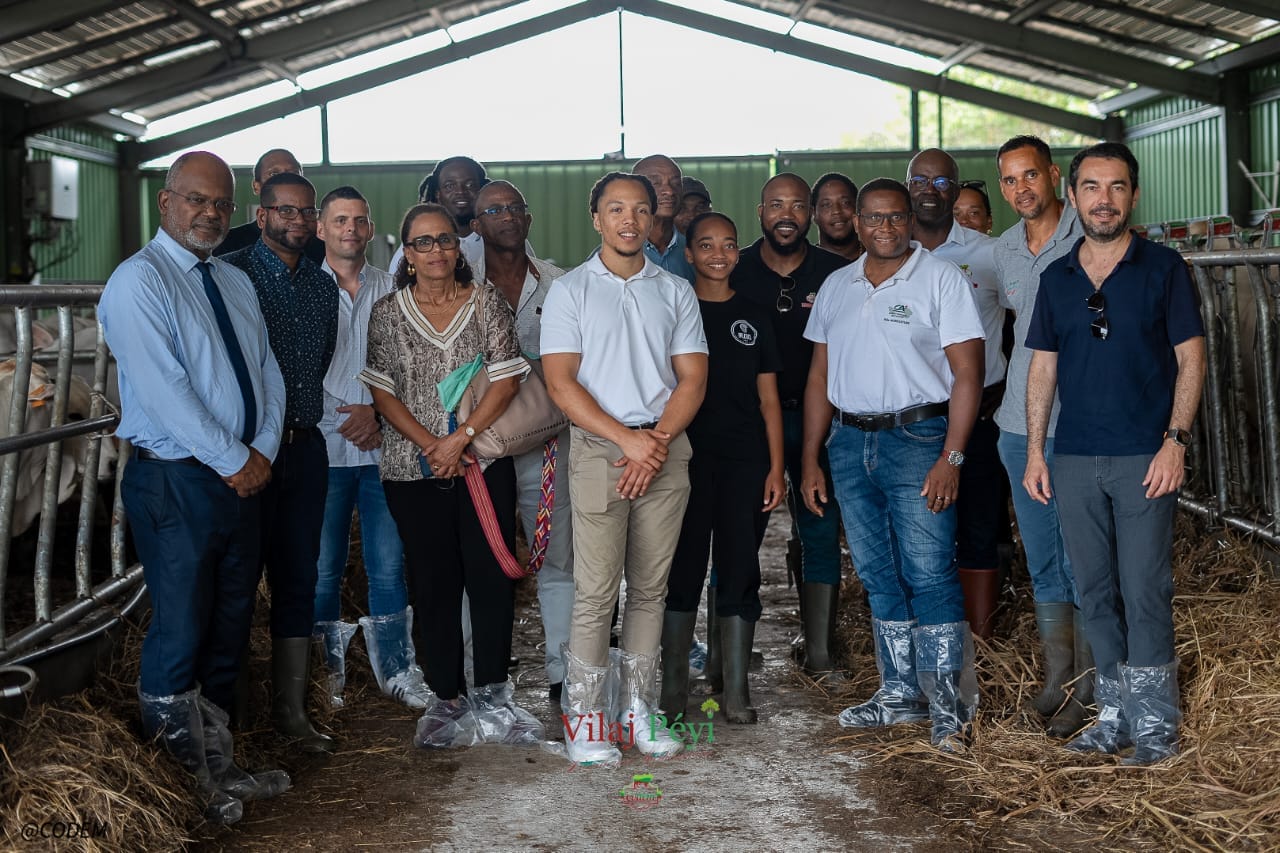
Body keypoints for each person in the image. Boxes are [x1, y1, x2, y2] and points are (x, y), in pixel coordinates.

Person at [100, 150, 290, 824]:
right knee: (180, 626)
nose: (210, 213)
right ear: (166, 202)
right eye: (196, 200)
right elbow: (163, 390)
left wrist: (259, 450)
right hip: (178, 479)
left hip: (240, 478)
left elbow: (266, 371)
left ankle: (221, 763)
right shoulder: (138, 282)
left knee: (229, 623)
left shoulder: (232, 280)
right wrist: (232, 457)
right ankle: (184, 781)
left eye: (221, 204)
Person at [1024, 142, 1205, 765]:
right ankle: (1113, 714)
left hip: (1143, 458)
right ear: (1071, 196)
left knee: (1145, 586)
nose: (1105, 199)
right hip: (1074, 457)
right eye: (1093, 187)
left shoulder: (1162, 268)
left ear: (1133, 194)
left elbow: (1191, 358)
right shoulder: (1057, 277)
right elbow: (1042, 369)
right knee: (1094, 590)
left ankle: (1155, 725)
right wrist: (1037, 453)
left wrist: (1174, 442)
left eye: (1118, 187)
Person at [801, 177, 985, 753]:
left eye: (896, 218)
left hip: (920, 437)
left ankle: (950, 709)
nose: (885, 228)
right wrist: (810, 457)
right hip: (850, 442)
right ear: (856, 224)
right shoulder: (837, 285)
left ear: (910, 220)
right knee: (878, 574)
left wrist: (951, 455)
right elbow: (818, 378)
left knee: (929, 573)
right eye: (874, 219)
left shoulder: (941, 279)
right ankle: (899, 694)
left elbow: (968, 375)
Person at [541, 172, 708, 765]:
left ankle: (637, 711)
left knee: (650, 590)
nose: (629, 220)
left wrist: (655, 441)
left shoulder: (674, 290)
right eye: (616, 209)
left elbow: (692, 377)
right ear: (597, 218)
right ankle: (584, 720)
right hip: (598, 450)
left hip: (665, 449)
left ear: (652, 219)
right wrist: (626, 442)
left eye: (639, 209)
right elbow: (560, 382)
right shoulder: (570, 291)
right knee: (595, 591)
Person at [361, 203, 539, 748]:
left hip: (482, 464)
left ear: (457, 247)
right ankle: (446, 698)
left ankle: (492, 694)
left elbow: (508, 380)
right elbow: (382, 391)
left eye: (444, 240)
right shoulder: (389, 312)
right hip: (409, 469)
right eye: (422, 243)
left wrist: (460, 440)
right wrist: (431, 446)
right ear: (407, 255)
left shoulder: (485, 301)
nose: (436, 251)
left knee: (490, 580)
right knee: (433, 583)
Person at [223, 172, 339, 754]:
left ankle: (291, 714)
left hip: (305, 446)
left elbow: (319, 360)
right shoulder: (232, 274)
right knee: (239, 578)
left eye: (305, 212)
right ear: (261, 213)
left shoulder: (321, 286)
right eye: (284, 211)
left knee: (300, 575)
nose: (296, 221)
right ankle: (233, 720)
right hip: (246, 453)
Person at [310, 185, 433, 711]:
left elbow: (415, 363)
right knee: (322, 565)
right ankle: (322, 675)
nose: (351, 230)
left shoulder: (394, 288)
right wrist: (352, 411)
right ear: (321, 227)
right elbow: (292, 368)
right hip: (326, 444)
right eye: (340, 220)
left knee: (388, 562)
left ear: (370, 227)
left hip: (386, 448)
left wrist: (376, 411)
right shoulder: (303, 288)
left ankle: (398, 672)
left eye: (360, 220)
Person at [662, 212, 784, 724]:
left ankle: (735, 691)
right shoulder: (672, 311)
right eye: (705, 244)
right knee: (682, 568)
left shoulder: (755, 314)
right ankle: (672, 692)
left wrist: (776, 467)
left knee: (739, 567)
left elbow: (770, 399)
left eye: (728, 244)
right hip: (684, 460)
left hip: (744, 459)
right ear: (687, 254)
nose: (718, 253)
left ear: (739, 252)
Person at [730, 172, 850, 682]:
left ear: (812, 214)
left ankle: (819, 650)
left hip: (819, 418)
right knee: (740, 535)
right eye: (776, 204)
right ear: (760, 212)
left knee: (820, 529)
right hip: (749, 424)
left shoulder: (838, 273)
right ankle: (730, 653)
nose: (786, 214)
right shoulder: (735, 270)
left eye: (797, 206)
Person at [991, 135, 1086, 737]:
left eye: (1030, 176)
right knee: (1044, 559)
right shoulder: (1003, 250)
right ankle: (1058, 679)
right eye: (1009, 180)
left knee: (1084, 562)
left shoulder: (1092, 237)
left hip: (1077, 429)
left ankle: (1089, 687)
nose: (1021, 189)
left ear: (1052, 175)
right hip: (1017, 429)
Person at [469, 180, 575, 701]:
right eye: (494, 210)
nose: (507, 217)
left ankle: (562, 672)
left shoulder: (558, 284)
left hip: (544, 436)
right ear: (475, 223)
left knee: (556, 554)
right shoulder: (460, 284)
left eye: (515, 208)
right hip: (477, 442)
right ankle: (479, 675)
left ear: (528, 218)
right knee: (479, 559)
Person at [907, 149, 1008, 640]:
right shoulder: (889, 252)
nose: (931, 189)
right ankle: (931, 639)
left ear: (955, 187)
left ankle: (982, 646)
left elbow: (1025, 318)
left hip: (984, 411)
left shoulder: (989, 254)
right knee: (921, 533)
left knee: (980, 525)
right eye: (921, 180)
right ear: (908, 187)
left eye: (942, 182)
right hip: (916, 417)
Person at [214, 148, 325, 263]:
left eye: (293, 173)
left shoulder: (323, 245)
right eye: (274, 174)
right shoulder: (228, 244)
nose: (284, 180)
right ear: (256, 186)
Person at [633, 154, 696, 282]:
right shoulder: (612, 255)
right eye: (656, 183)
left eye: (676, 183)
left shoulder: (696, 252)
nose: (669, 191)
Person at [811, 172, 862, 261]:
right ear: (814, 214)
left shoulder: (877, 260)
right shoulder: (804, 265)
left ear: (857, 209)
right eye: (826, 205)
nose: (837, 211)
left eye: (845, 203)